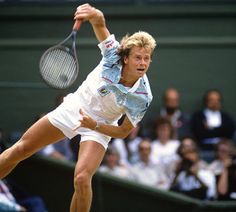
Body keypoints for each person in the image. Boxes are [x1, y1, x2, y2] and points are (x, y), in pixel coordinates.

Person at [0, 3, 156, 212]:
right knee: (20, 150)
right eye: (138, 57)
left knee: (82, 178)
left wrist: (95, 126)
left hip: (100, 125)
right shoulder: (112, 55)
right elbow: (100, 23)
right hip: (75, 107)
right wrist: (92, 13)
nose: (143, 63)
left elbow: (123, 131)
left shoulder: (143, 96)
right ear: (126, 58)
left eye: (147, 58)